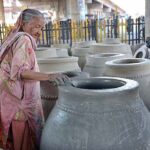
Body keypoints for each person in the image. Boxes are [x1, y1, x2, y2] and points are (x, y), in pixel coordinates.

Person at [0, 9, 68, 150]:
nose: (39, 31)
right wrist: (49, 76)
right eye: (36, 26)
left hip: (8, 101)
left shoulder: (13, 37)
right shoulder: (24, 39)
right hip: (19, 106)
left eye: (41, 27)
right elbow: (21, 72)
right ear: (24, 24)